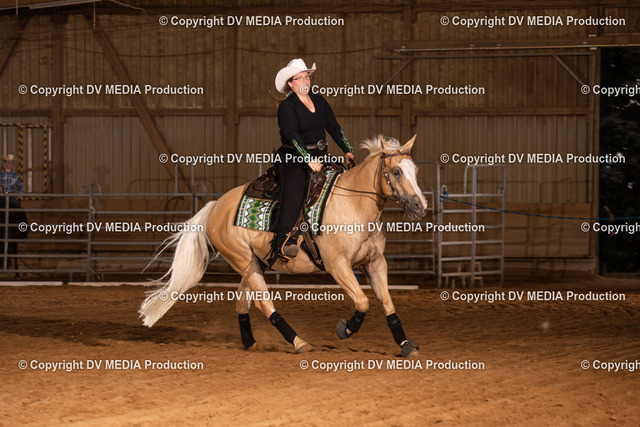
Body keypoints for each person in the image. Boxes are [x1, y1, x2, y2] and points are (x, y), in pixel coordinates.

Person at [270, 58, 355, 262]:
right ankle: (284, 240)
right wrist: (308, 159)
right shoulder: (287, 107)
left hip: (321, 156)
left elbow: (333, 127)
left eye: (306, 76)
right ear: (290, 84)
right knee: (294, 191)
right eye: (299, 78)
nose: (304, 81)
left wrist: (347, 149)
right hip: (293, 158)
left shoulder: (319, 100)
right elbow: (292, 135)